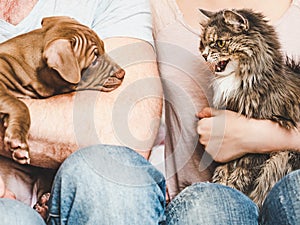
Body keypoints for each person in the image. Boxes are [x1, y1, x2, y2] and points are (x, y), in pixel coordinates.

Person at [0, 0, 165, 224]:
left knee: (111, 173)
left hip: (79, 194)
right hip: (11, 198)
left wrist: (13, 114)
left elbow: (125, 131)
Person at [150, 0, 300, 224]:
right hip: (206, 202)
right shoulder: (157, 9)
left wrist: (258, 136)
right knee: (208, 204)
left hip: (289, 180)